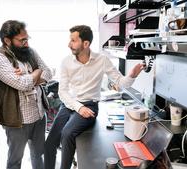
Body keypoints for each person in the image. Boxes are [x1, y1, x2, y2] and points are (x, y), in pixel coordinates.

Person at [44, 25, 145, 169]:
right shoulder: (66, 62)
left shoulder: (102, 60)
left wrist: (132, 75)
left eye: (73, 41)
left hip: (90, 105)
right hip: (69, 104)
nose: (69, 44)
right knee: (49, 144)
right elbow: (63, 92)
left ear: (85, 44)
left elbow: (121, 82)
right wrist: (79, 107)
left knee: (67, 134)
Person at [0, 20, 52, 169]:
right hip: (17, 120)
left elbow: (49, 73)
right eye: (22, 40)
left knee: (38, 154)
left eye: (27, 38)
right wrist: (36, 72)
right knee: (15, 159)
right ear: (7, 40)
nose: (27, 43)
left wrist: (27, 76)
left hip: (38, 114)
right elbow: (22, 84)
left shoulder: (30, 52)